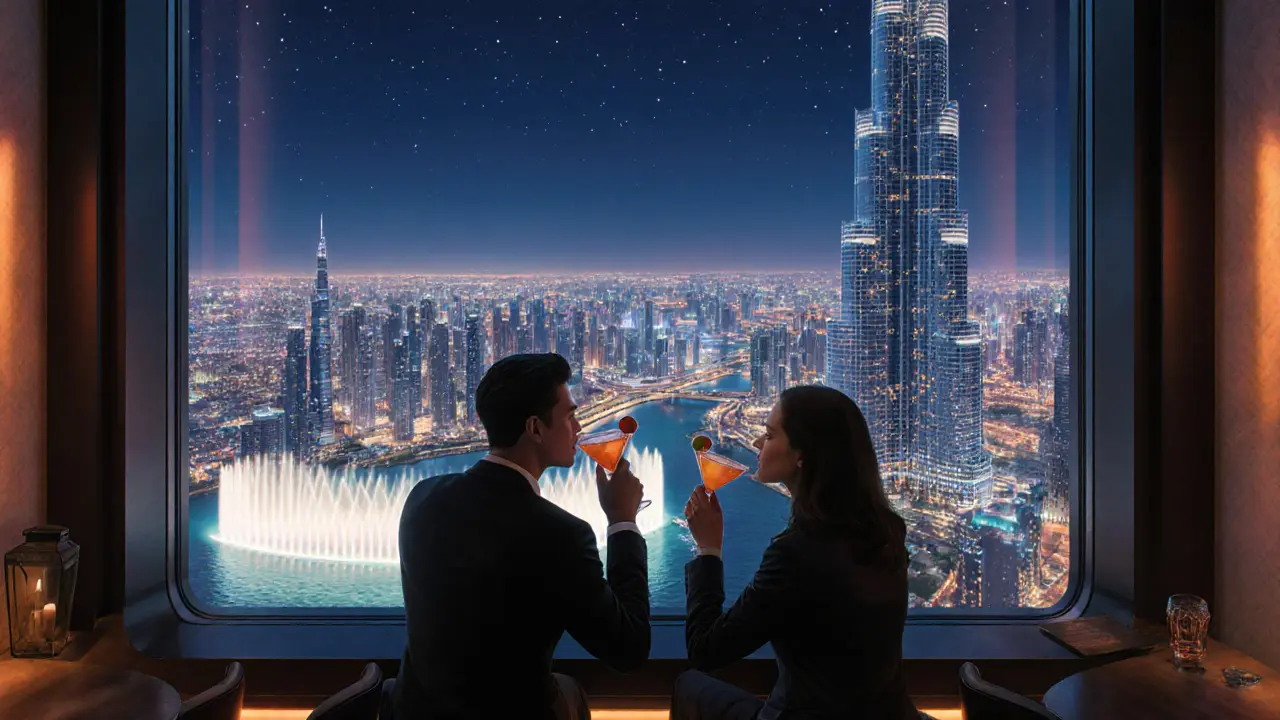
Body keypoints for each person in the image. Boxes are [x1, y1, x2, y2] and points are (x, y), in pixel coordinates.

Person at [393, 353, 651, 720]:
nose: (579, 427)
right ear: (535, 428)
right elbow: (629, 649)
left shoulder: (422, 497)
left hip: (413, 712)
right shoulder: (561, 536)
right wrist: (622, 522)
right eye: (570, 416)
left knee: (566, 691)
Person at [672, 385, 919, 720]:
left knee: (689, 685)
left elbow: (706, 649)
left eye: (769, 435)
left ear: (803, 455)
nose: (756, 443)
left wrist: (708, 549)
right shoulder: (887, 532)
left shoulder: (796, 554)